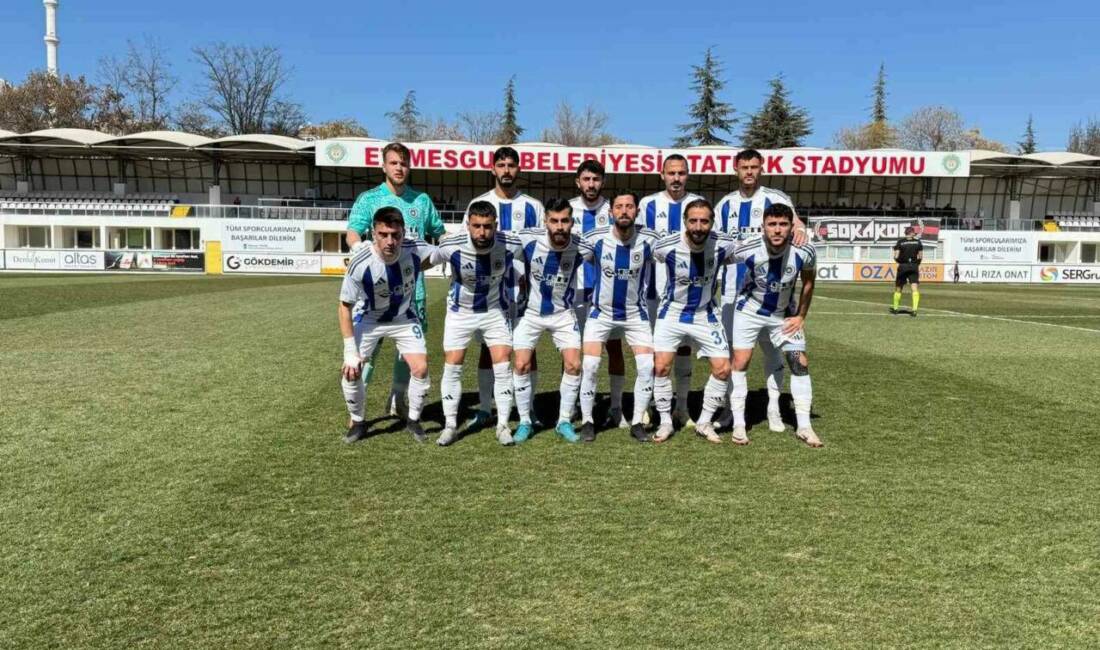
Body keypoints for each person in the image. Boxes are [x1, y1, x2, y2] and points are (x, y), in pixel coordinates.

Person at [345, 142, 445, 421]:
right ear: (384, 166)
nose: (399, 168)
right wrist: (357, 249)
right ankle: (358, 410)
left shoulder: (421, 201)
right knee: (367, 352)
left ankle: (397, 398)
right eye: (393, 163)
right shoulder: (369, 198)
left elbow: (440, 232)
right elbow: (353, 232)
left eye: (403, 163)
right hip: (373, 296)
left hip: (412, 294)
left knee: (408, 354)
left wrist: (448, 251)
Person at [716, 148, 810, 433]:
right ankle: (733, 413)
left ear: (761, 168)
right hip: (734, 294)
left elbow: (799, 230)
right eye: (744, 167)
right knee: (737, 357)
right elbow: (719, 247)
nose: (749, 172)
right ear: (736, 168)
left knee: (773, 353)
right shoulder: (724, 205)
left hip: (776, 293)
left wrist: (801, 230)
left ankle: (774, 409)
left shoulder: (777, 199)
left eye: (754, 167)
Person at [339, 207, 438, 444]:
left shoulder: (414, 248)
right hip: (369, 320)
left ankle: (413, 421)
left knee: (421, 368)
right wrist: (350, 351)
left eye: (396, 234)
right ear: (373, 233)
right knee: (352, 372)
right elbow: (344, 307)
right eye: (383, 234)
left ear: (404, 233)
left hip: (404, 318)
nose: (390, 241)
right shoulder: (360, 263)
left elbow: (441, 254)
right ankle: (358, 422)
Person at [464, 146, 545, 429]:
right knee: (488, 350)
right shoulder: (479, 203)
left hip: (524, 291)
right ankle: (486, 407)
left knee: (527, 349)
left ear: (518, 169)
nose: (506, 170)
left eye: (511, 165)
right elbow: (470, 247)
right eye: (501, 165)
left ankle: (529, 407)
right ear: (493, 169)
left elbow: (540, 249)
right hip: (491, 291)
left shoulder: (534, 206)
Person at [433, 200, 525, 446]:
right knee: (453, 364)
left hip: (494, 311)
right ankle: (451, 425)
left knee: (503, 364)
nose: (481, 232)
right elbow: (423, 260)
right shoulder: (450, 245)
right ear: (467, 225)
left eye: (487, 226)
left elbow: (533, 254)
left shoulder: (511, 244)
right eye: (476, 226)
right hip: (459, 312)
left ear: (496, 225)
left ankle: (503, 425)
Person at [729, 204, 822, 447]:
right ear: (763, 228)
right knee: (741, 361)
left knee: (799, 362)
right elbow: (715, 256)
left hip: (784, 314)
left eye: (783, 224)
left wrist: (801, 316)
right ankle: (739, 423)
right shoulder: (749, 248)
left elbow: (809, 283)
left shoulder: (805, 251)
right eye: (772, 224)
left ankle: (802, 425)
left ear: (792, 227)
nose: (777, 230)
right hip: (749, 311)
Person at [650, 199, 739, 444]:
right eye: (693, 221)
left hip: (706, 314)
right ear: (685, 222)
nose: (698, 226)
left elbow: (753, 250)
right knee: (661, 368)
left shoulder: (724, 245)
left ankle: (704, 422)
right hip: (672, 313)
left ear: (711, 222)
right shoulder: (665, 247)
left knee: (723, 369)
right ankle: (666, 421)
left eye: (704, 221)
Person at [512, 198, 596, 443]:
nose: (559, 226)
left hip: (563, 314)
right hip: (530, 313)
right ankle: (525, 420)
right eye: (554, 221)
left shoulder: (583, 247)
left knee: (573, 365)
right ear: (545, 221)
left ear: (572, 222)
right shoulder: (527, 240)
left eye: (565, 221)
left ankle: (564, 421)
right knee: (521, 365)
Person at [579, 190, 661, 443]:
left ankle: (637, 421)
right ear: (610, 212)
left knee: (648, 366)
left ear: (637, 211)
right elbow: (566, 254)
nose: (624, 211)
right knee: (591, 365)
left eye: (629, 206)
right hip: (600, 313)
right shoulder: (594, 239)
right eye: (619, 206)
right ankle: (587, 421)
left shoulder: (651, 240)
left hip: (636, 315)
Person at [639, 154, 704, 427]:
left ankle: (682, 406)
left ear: (687, 175)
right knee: (655, 352)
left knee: (685, 349)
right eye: (671, 173)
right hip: (653, 293)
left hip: (688, 296)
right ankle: (650, 404)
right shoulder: (647, 204)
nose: (676, 178)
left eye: (681, 173)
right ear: (662, 175)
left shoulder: (697, 205)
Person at [570, 160, 628, 428]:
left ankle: (616, 407)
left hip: (609, 293)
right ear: (578, 181)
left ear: (602, 182)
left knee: (614, 350)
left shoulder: (614, 209)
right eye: (586, 179)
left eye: (595, 179)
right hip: (575, 291)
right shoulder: (568, 209)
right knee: (572, 351)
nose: (591, 184)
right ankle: (573, 406)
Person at [891, 226, 923, 316]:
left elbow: (896, 256)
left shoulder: (900, 242)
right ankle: (914, 310)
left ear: (906, 233)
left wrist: (899, 262)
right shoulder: (918, 242)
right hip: (914, 266)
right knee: (914, 288)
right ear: (911, 233)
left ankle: (895, 308)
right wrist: (916, 264)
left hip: (903, 266)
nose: (915, 234)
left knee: (899, 287)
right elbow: (920, 256)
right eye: (914, 232)